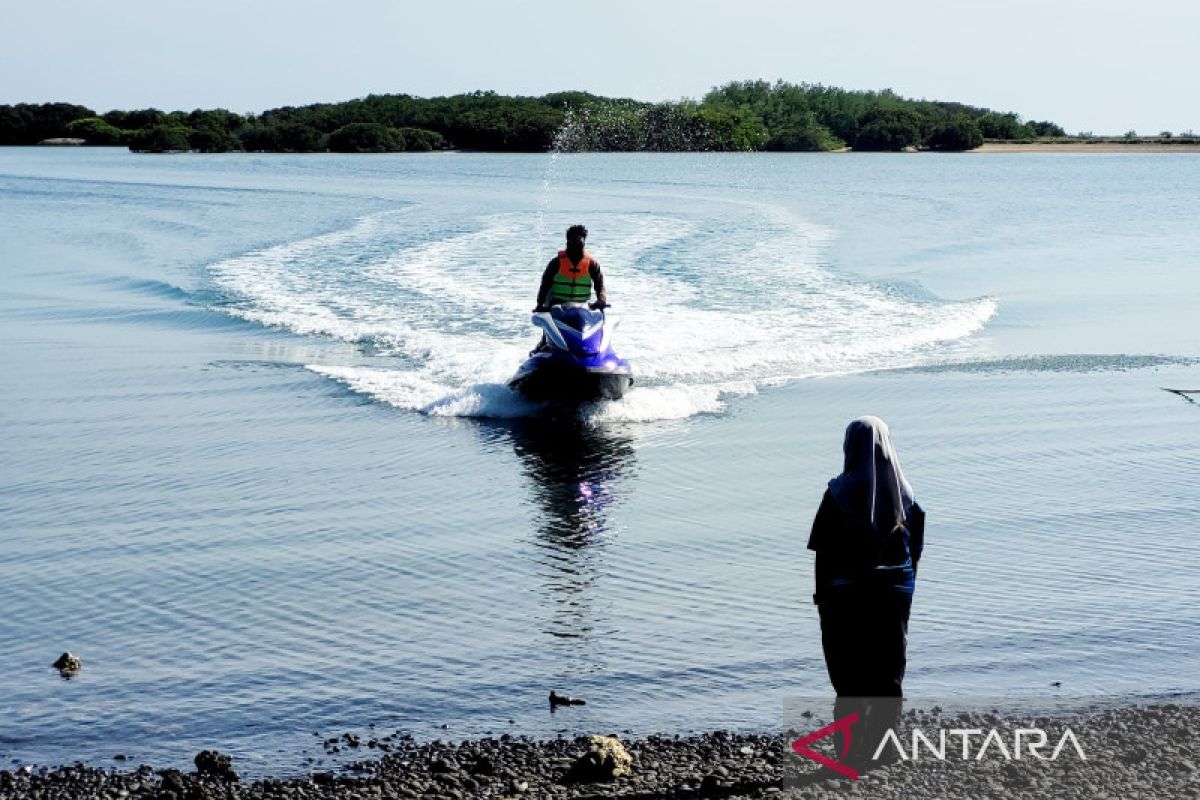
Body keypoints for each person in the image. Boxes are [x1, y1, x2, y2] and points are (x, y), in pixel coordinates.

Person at [808, 416, 925, 771]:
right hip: (894, 594)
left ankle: (849, 753)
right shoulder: (907, 497)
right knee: (888, 673)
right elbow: (915, 550)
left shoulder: (838, 495)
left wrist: (821, 600)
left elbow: (823, 554)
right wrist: (906, 587)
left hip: (846, 598)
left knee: (849, 675)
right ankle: (884, 751)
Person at [534, 224, 607, 312]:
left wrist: (601, 300)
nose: (575, 246)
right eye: (572, 242)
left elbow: (600, 285)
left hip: (580, 305)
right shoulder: (556, 263)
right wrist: (540, 304)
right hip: (557, 304)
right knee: (553, 302)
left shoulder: (592, 264)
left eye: (579, 243)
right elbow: (545, 285)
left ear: (583, 243)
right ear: (568, 242)